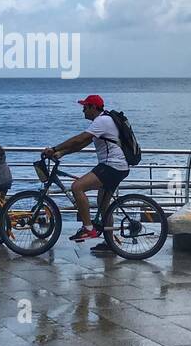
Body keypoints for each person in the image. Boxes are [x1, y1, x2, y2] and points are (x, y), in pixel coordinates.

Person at [42, 94, 127, 248]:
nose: (83, 111)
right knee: (104, 206)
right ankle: (110, 243)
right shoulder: (103, 120)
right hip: (118, 166)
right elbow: (82, 144)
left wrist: (55, 148)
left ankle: (88, 228)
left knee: (77, 187)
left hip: (111, 166)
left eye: (85, 107)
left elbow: (79, 138)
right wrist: (62, 153)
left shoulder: (102, 120)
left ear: (93, 108)